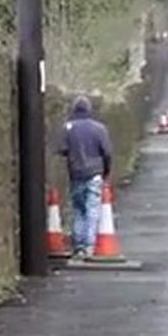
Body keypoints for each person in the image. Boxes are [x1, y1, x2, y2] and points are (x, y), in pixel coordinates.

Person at [56, 94, 113, 259]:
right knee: (92, 209)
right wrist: (106, 172)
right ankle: (89, 246)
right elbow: (107, 153)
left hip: (75, 173)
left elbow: (62, 149)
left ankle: (78, 245)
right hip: (94, 173)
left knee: (79, 209)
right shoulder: (99, 128)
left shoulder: (68, 128)